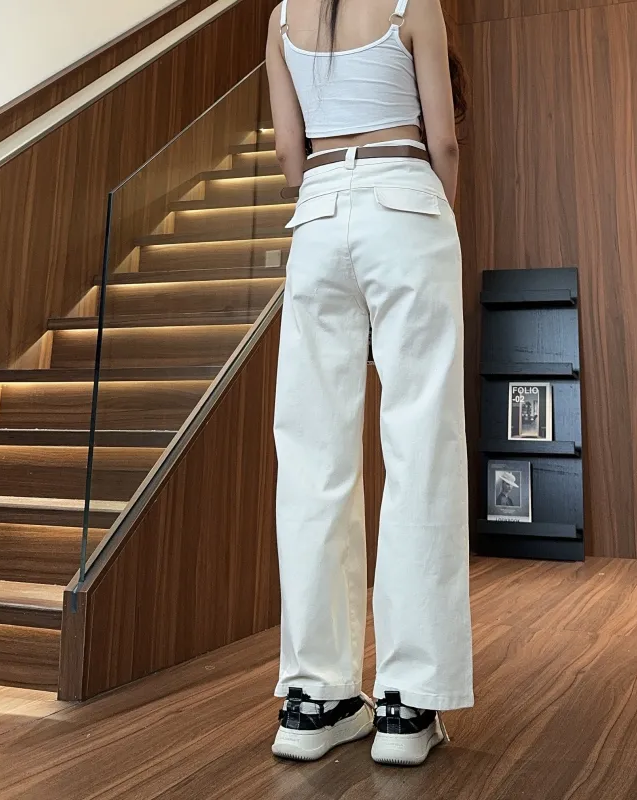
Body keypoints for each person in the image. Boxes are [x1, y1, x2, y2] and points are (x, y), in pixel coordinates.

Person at [267, 0, 473, 767]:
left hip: (316, 218)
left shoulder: (281, 17)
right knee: (420, 448)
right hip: (405, 200)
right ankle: (405, 704)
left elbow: (289, 151)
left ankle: (314, 699)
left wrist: (334, 202)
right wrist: (434, 221)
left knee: (312, 460)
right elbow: (443, 139)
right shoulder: (413, 4)